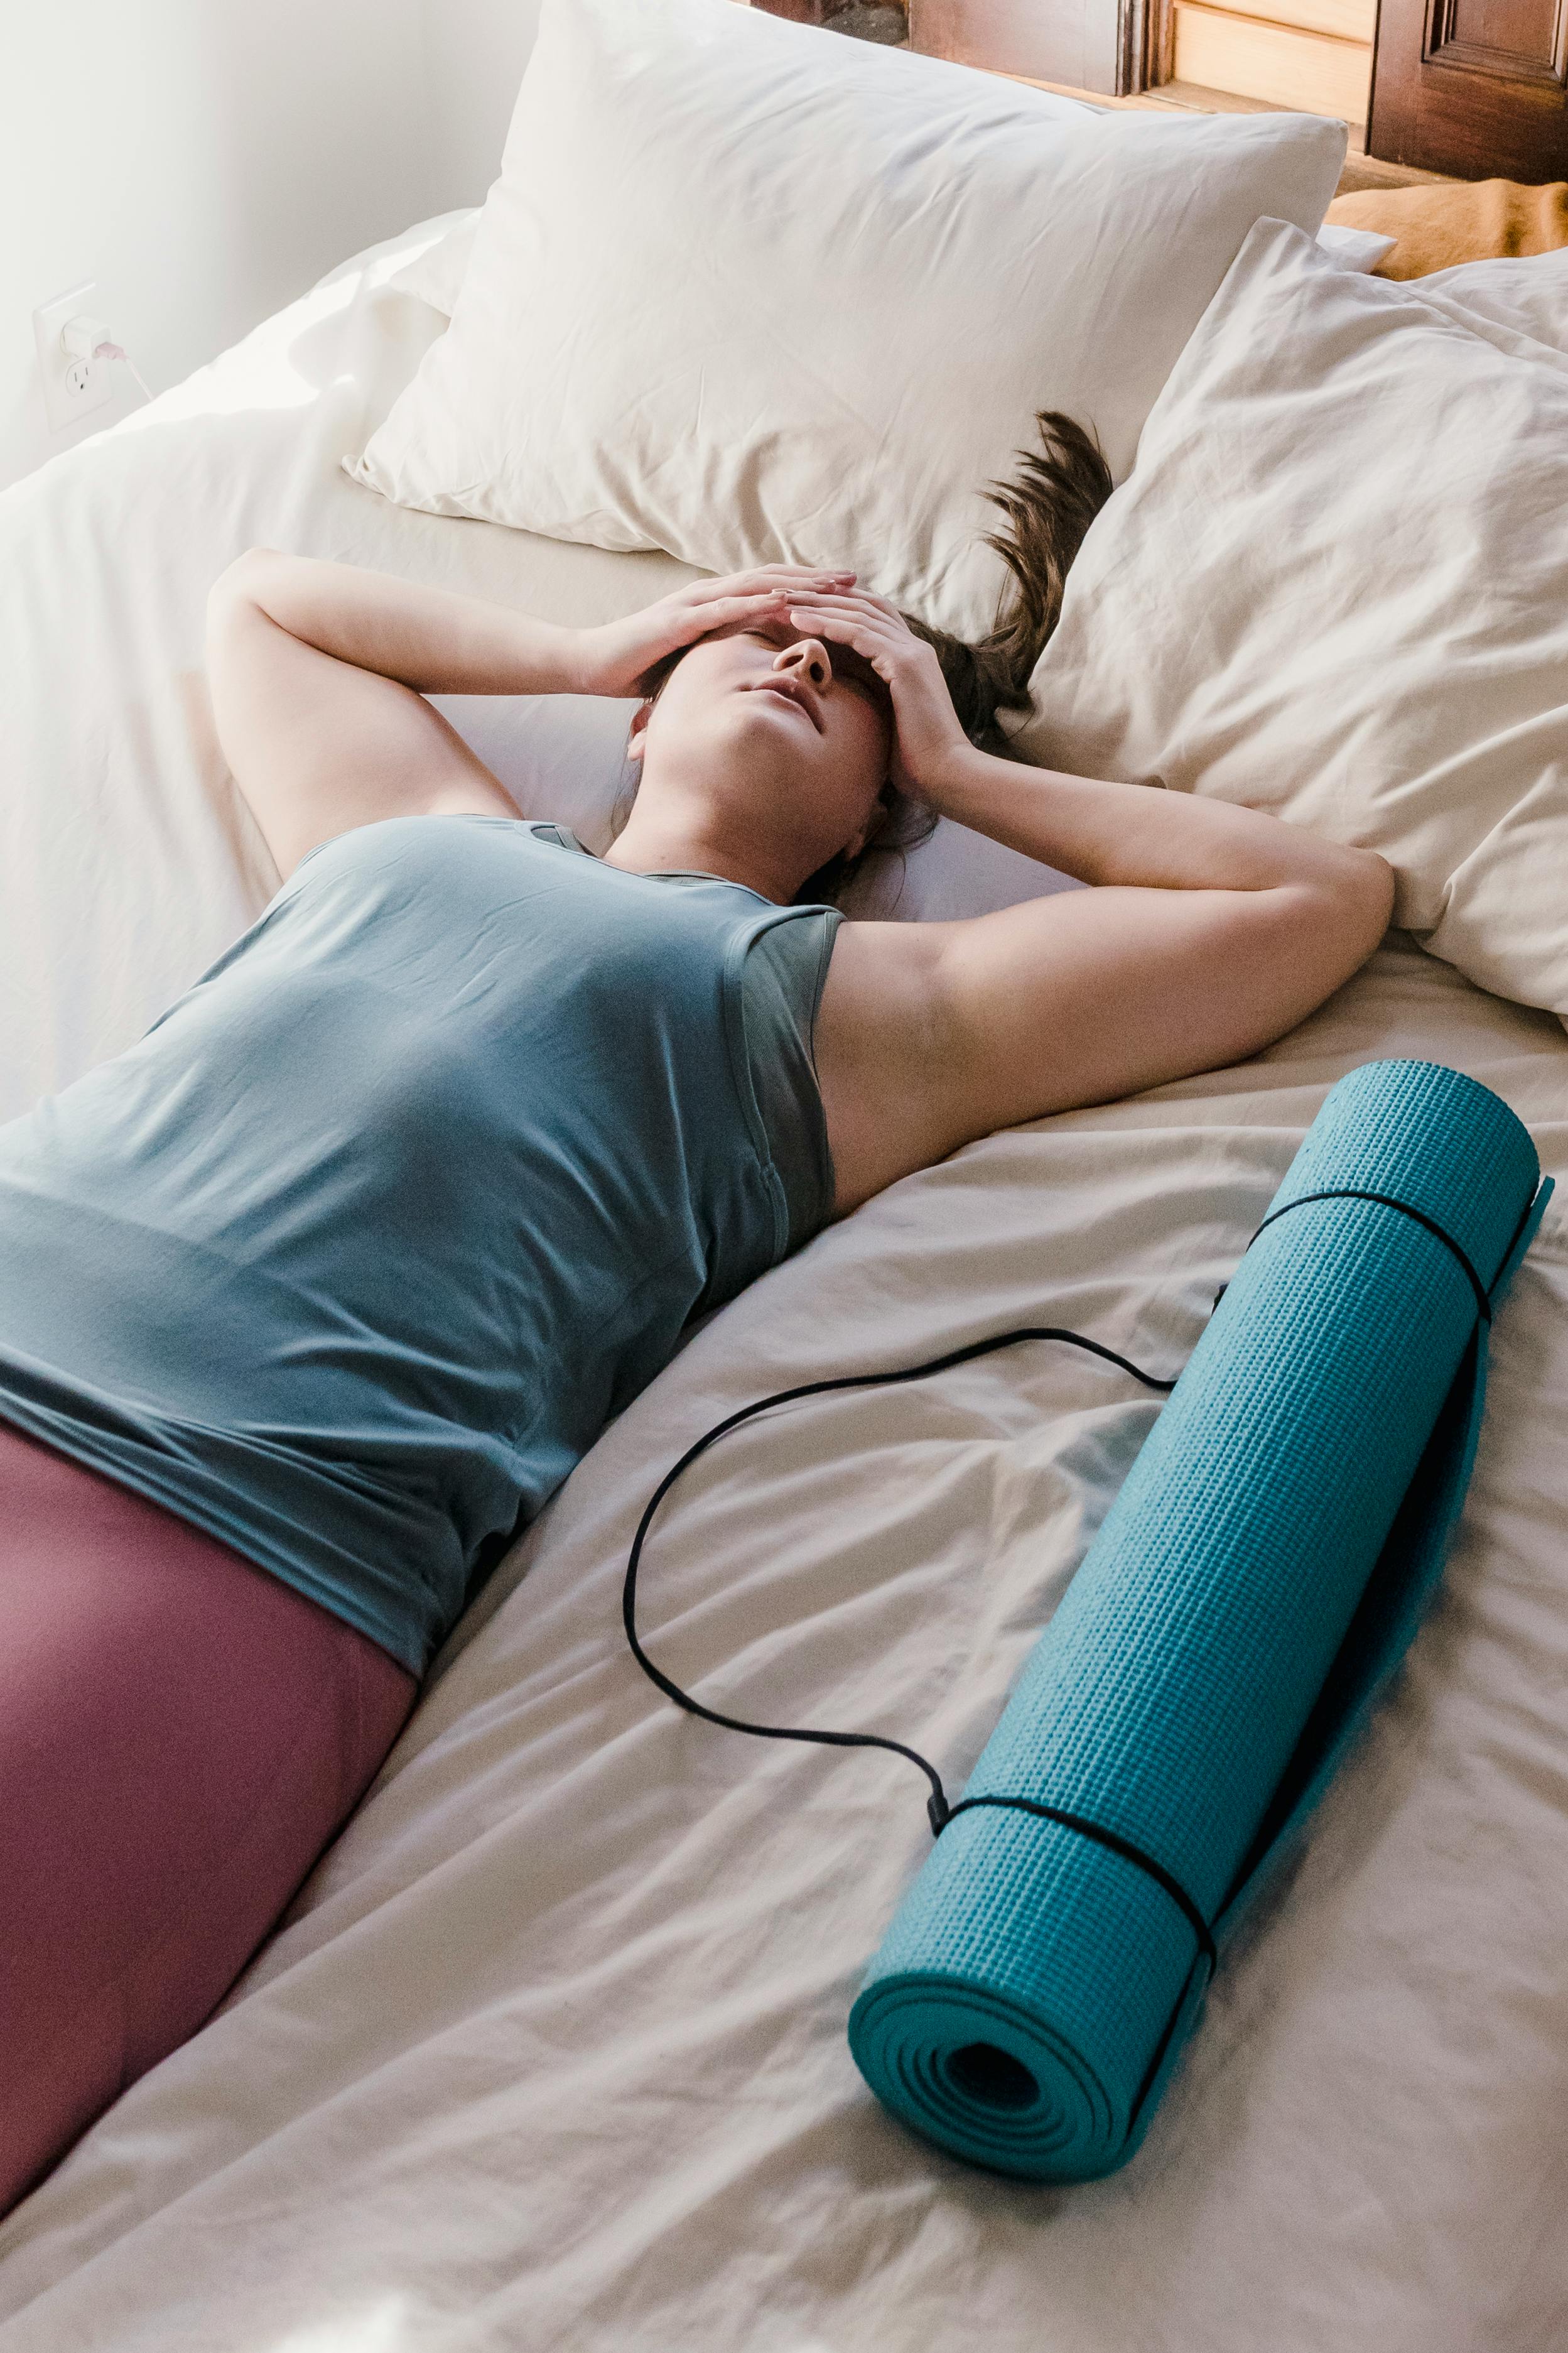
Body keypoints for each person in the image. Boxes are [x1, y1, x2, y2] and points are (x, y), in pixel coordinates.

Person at [0, 414, 1393, 2216]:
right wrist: (587, 652)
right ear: (646, 707)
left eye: (857, 685)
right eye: (772, 635)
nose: (810, 656)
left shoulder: (854, 1013)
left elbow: (1313, 895)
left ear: (867, 830)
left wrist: (957, 755)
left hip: (236, 1533)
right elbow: (269, 606)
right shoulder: (419, 829)